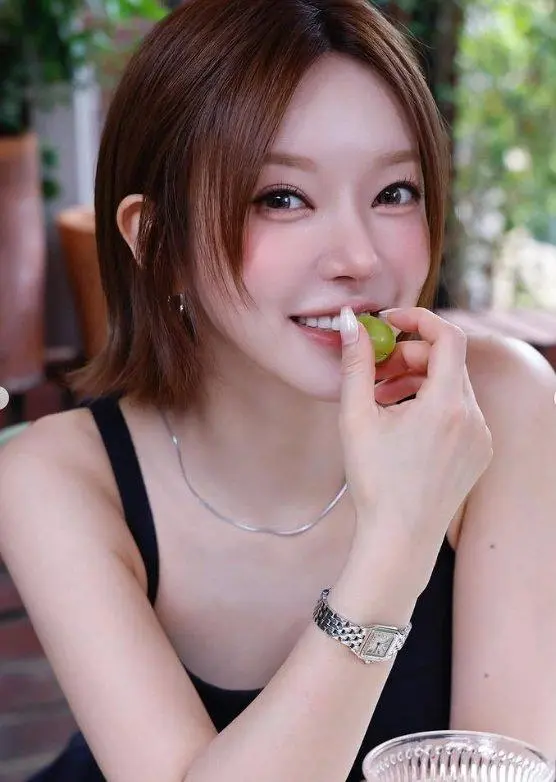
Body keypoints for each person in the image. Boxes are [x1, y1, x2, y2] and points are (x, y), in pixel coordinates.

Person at [1, 1, 556, 780]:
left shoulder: (500, 403)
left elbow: (503, 769)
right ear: (157, 242)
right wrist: (397, 545)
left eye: (394, 191)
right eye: (282, 198)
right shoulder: (53, 477)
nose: (358, 257)